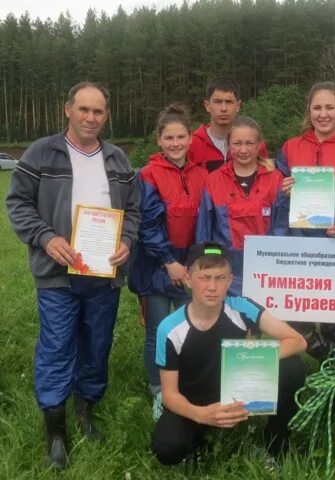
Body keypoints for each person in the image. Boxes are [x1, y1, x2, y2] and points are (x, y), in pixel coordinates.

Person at [6, 82, 140, 469]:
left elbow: (133, 211)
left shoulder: (117, 159)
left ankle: (85, 411)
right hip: (57, 273)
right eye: (84, 109)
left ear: (106, 115)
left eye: (98, 112)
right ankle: (56, 430)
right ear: (68, 110)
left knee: (97, 347)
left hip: (103, 274)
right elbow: (18, 203)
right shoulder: (41, 153)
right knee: (57, 345)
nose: (91, 117)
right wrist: (45, 238)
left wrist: (128, 240)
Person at [151, 242, 307, 466]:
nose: (212, 286)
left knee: (293, 367)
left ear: (230, 281)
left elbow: (297, 341)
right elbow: (170, 394)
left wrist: (250, 354)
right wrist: (202, 414)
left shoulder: (242, 308)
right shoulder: (169, 328)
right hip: (193, 402)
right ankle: (198, 440)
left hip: (237, 393)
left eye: (220, 277)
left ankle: (274, 446)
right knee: (167, 448)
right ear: (188, 280)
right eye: (205, 277)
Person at [272, 81, 335, 360]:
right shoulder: (291, 147)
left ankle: (332, 380)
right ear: (309, 110)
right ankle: (332, 361)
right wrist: (284, 192)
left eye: (330, 107)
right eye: (317, 107)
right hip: (297, 249)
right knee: (294, 320)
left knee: (331, 323)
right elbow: (276, 200)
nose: (323, 114)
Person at [128, 103, 209, 419]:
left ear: (191, 138)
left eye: (181, 137)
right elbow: (147, 224)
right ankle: (158, 391)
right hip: (155, 269)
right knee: (159, 331)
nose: (175, 143)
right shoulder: (147, 175)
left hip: (191, 269)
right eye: (169, 138)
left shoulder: (202, 174)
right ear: (159, 141)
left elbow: (206, 221)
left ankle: (187, 384)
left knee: (191, 327)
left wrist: (192, 265)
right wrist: (168, 262)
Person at [195, 116, 283, 295]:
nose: (243, 149)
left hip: (266, 272)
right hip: (226, 273)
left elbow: (282, 228)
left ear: (259, 145)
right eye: (237, 143)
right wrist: (209, 267)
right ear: (228, 145)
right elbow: (204, 232)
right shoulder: (214, 180)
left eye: (249, 143)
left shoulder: (275, 179)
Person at [187, 77, 267, 172]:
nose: (223, 108)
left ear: (238, 106)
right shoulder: (191, 144)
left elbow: (266, 178)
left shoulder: (255, 143)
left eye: (229, 102)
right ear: (207, 106)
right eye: (218, 102)